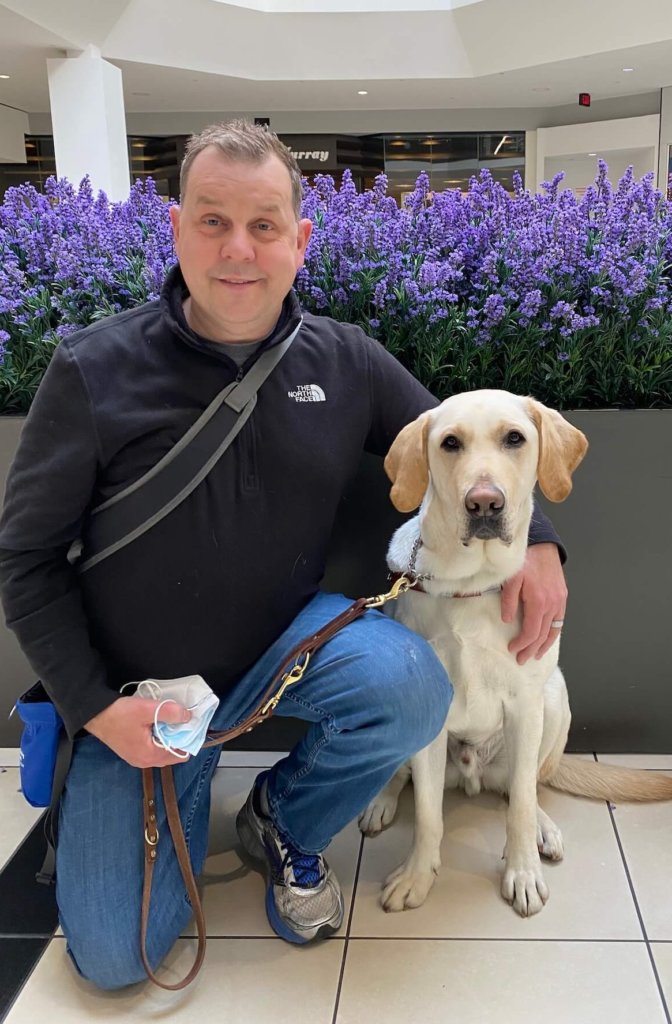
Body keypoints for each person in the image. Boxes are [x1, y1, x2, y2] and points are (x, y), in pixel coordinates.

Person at [0, 121, 567, 990]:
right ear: (177, 227)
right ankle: (122, 790)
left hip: (284, 649)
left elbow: (468, 452)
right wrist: (92, 706)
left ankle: (282, 818)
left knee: (411, 681)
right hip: (140, 695)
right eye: (213, 220)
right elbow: (24, 557)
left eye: (265, 224)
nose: (239, 248)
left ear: (300, 240)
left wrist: (543, 546)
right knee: (116, 960)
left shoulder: (347, 360)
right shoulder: (92, 369)